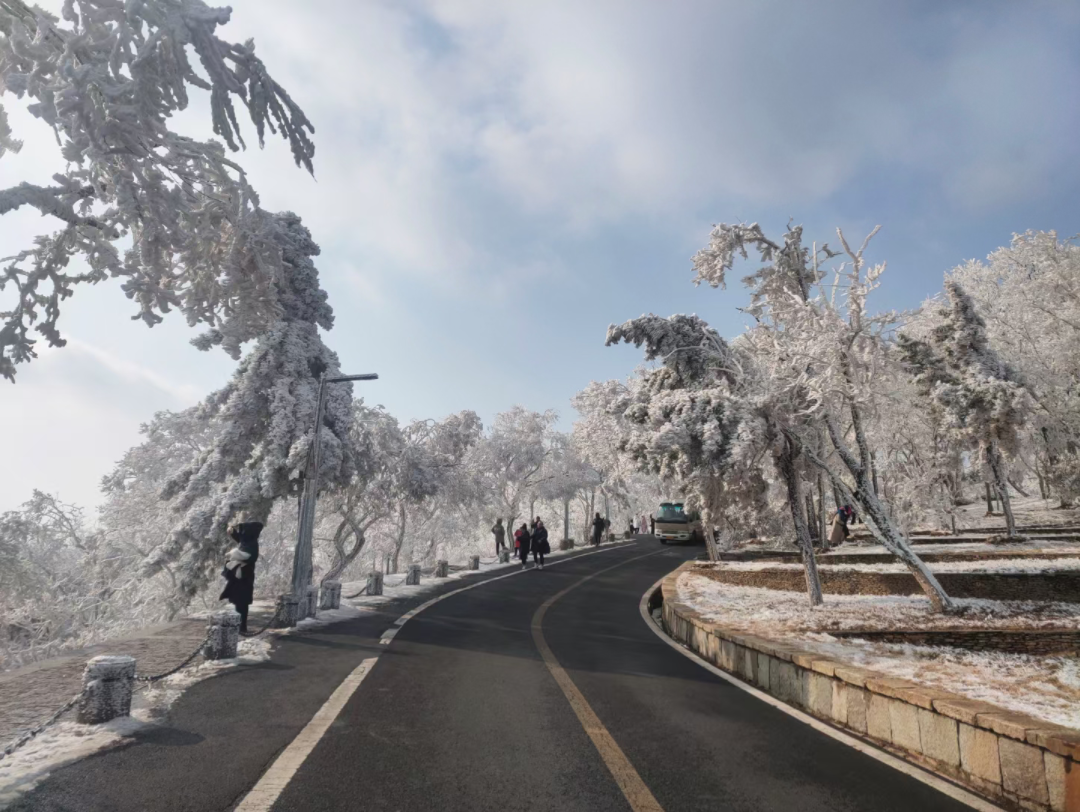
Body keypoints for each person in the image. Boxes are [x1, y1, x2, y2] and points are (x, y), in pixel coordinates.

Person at [220, 521, 263, 634]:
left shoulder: (252, 543)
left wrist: (234, 554)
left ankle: (242, 627)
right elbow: (241, 539)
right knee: (238, 602)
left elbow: (250, 557)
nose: (242, 532)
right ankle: (239, 626)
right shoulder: (248, 540)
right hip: (240, 577)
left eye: (243, 530)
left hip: (244, 577)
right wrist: (233, 532)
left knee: (242, 602)